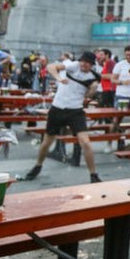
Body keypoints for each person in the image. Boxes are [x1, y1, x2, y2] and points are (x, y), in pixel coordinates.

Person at [23, 51, 102, 183]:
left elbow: (87, 96)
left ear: (92, 65)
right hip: (57, 108)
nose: (84, 65)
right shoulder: (73, 65)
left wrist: (93, 89)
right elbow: (51, 67)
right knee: (47, 141)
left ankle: (93, 175)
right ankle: (38, 166)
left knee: (86, 143)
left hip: (75, 111)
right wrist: (59, 78)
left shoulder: (93, 77)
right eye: (83, 61)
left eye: (87, 63)